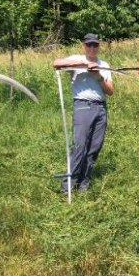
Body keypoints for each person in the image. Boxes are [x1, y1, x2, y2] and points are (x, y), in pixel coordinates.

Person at [52, 33, 115, 192]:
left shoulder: (104, 64)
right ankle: (67, 187)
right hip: (82, 105)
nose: (92, 48)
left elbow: (110, 91)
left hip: (100, 108)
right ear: (84, 46)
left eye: (95, 45)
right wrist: (82, 64)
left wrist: (98, 76)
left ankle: (83, 185)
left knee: (95, 147)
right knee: (80, 145)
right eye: (89, 45)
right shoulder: (76, 59)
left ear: (98, 46)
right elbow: (56, 63)